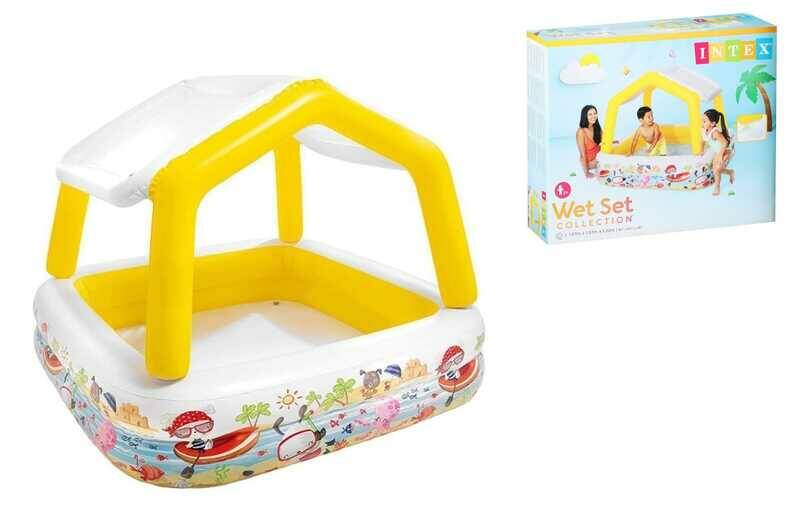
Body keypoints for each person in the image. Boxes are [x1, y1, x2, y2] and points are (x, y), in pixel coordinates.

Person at [702, 108, 735, 196]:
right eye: (702, 121)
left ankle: (717, 187)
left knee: (717, 170)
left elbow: (725, 143)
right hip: (718, 151)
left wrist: (720, 155)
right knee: (716, 170)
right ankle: (730, 172)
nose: (702, 123)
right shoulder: (705, 130)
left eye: (704, 121)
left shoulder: (715, 132)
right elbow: (703, 140)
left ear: (713, 123)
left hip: (725, 150)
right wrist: (701, 150)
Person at [576, 105, 602, 177]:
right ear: (585, 116)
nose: (593, 116)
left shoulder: (596, 127)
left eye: (595, 113)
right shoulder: (581, 132)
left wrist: (614, 143)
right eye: (590, 114)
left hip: (599, 156)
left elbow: (605, 141)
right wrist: (586, 173)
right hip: (590, 162)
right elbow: (582, 155)